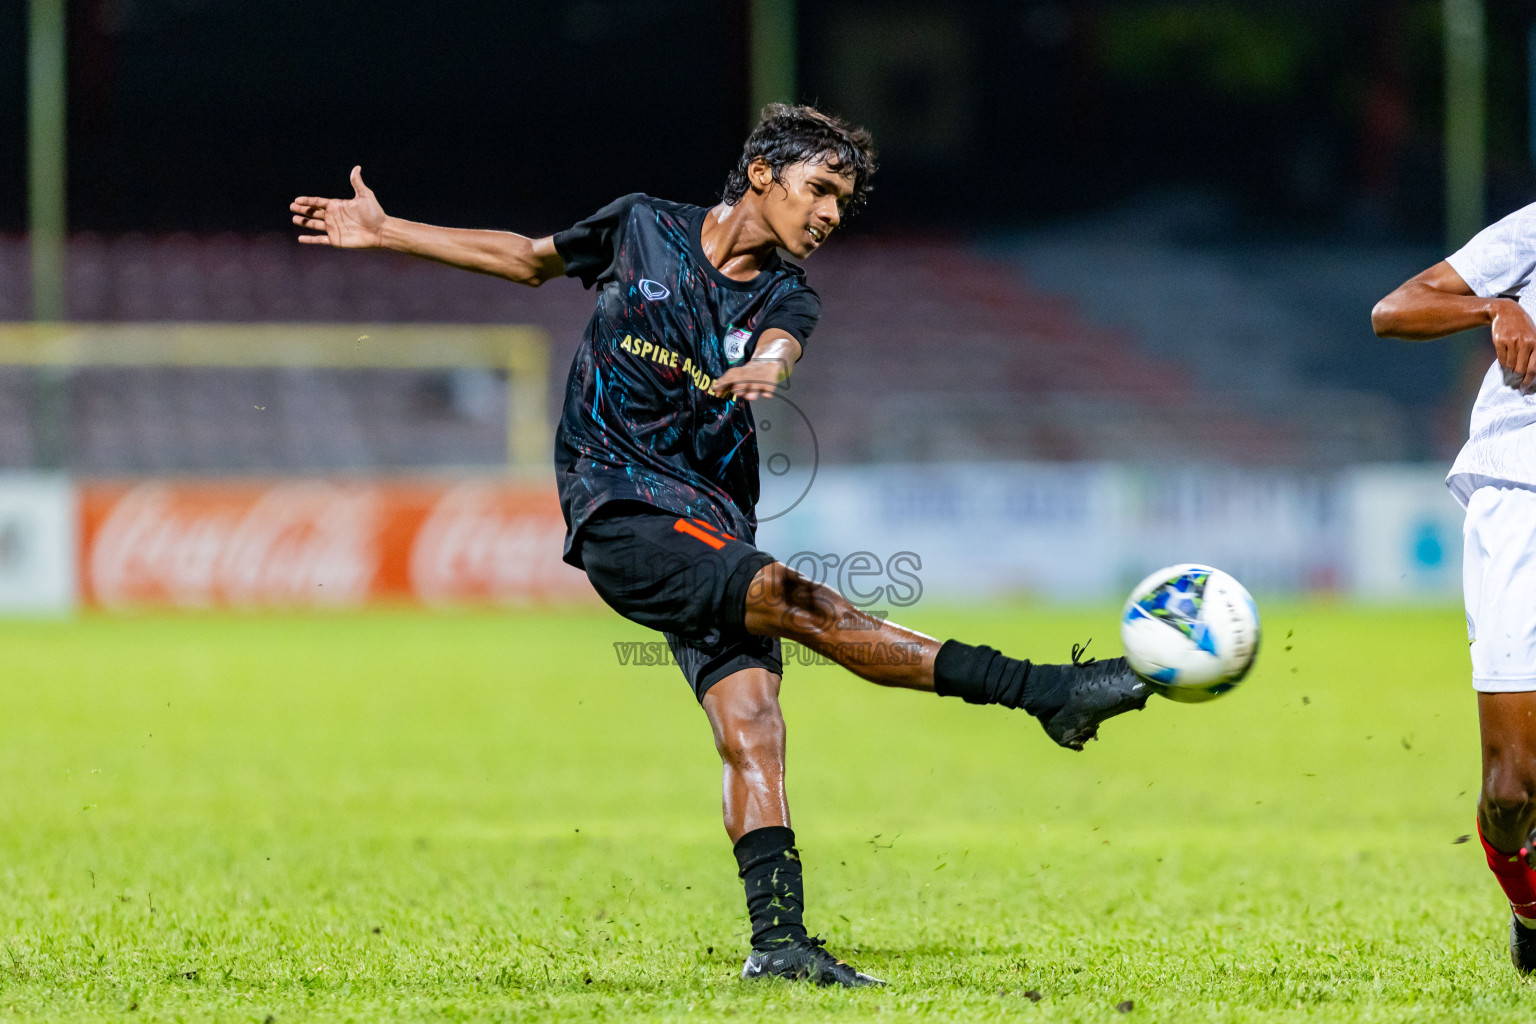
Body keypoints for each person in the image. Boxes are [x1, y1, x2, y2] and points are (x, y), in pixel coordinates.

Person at [291, 103, 1153, 988]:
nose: (827, 215)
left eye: (842, 204)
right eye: (819, 189)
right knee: (808, 604)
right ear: (761, 175)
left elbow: (783, 344)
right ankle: (1045, 691)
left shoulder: (790, 294)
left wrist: (772, 366)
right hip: (620, 510)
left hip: (710, 526)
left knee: (754, 727)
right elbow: (527, 259)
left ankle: (777, 943)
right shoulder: (640, 228)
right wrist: (387, 229)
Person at [1374, 206, 1536, 974]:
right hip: (1520, 496)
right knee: (1511, 793)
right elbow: (1395, 310)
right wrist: (1496, 307)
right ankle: (1529, 904)